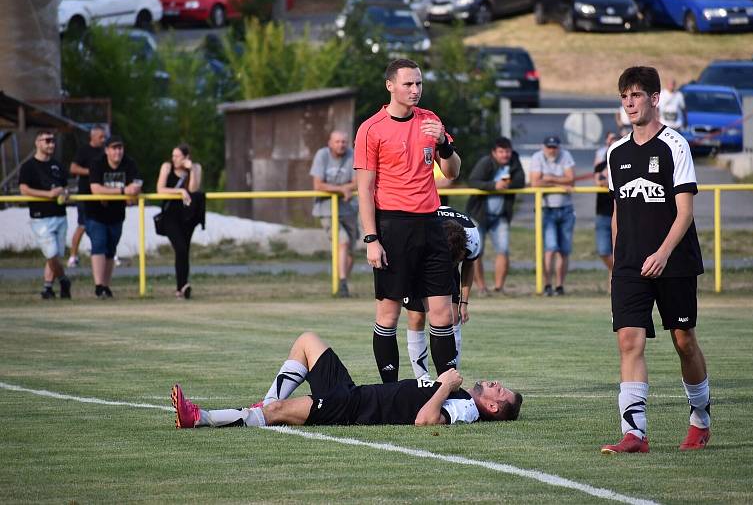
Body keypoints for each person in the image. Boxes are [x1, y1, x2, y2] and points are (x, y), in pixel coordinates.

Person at [601, 66, 710, 454]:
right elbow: (617, 212)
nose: (630, 102)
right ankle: (635, 434)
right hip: (631, 266)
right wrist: (620, 261)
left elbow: (685, 212)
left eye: (636, 95)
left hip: (674, 261)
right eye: (624, 96)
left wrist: (663, 253)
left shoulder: (675, 145)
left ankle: (700, 418)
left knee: (683, 341)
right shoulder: (615, 152)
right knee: (629, 342)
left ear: (654, 98)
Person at [354, 58, 462, 384]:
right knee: (389, 314)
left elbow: (453, 173)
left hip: (431, 224)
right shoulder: (371, 128)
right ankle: (391, 390)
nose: (415, 90)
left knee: (443, 312)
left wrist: (444, 143)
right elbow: (364, 188)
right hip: (392, 227)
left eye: (418, 84)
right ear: (390, 86)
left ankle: (447, 388)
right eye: (408, 84)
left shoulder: (431, 120)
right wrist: (371, 239)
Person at [171, 331, 523, 429]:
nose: (493, 382)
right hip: (354, 394)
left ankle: (199, 418)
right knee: (308, 341)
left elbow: (424, 421)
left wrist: (444, 385)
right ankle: (262, 409)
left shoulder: (468, 410)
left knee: (279, 410)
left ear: (493, 406)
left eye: (498, 389)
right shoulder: (463, 396)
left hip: (353, 410)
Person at [404, 206, 481, 380]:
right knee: (416, 317)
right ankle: (422, 380)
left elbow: (469, 265)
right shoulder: (421, 232)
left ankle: (451, 377)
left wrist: (464, 303)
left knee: (452, 317)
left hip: (448, 255)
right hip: (420, 261)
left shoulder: (472, 237)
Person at [465, 137, 525, 295]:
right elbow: (473, 181)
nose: (505, 155)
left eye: (507, 151)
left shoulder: (514, 161)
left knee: (503, 250)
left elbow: (521, 181)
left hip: (501, 216)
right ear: (494, 152)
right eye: (501, 151)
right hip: (479, 215)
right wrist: (494, 186)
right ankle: (481, 288)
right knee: (476, 252)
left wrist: (507, 185)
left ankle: (499, 288)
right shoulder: (485, 162)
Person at [86, 135, 143, 299]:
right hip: (96, 213)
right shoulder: (97, 163)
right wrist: (122, 191)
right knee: (99, 244)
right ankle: (98, 286)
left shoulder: (129, 163)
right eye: (114, 148)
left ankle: (105, 285)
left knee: (111, 250)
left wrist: (132, 191)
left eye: (120, 148)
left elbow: (137, 184)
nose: (118, 151)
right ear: (106, 150)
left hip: (116, 214)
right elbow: (95, 188)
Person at [18, 129, 72, 299]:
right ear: (37, 143)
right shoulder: (28, 166)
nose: (51, 144)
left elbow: (65, 186)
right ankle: (63, 280)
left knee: (55, 255)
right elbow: (24, 189)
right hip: (41, 216)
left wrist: (65, 192)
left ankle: (48, 288)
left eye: (53, 140)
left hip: (60, 215)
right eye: (47, 140)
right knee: (51, 254)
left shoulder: (57, 165)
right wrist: (48, 195)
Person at [310, 131, 358, 298]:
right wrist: (341, 188)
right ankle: (342, 284)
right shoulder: (322, 155)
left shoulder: (353, 154)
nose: (341, 145)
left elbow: (357, 181)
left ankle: (341, 283)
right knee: (342, 242)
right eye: (337, 141)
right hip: (327, 208)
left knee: (351, 250)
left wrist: (347, 188)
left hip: (349, 208)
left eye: (344, 142)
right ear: (330, 143)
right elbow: (318, 185)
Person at [529, 135, 576, 297]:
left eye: (554, 147)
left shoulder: (566, 155)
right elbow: (535, 182)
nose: (552, 150)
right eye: (549, 147)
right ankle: (547, 284)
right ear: (543, 147)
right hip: (546, 209)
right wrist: (558, 182)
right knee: (549, 248)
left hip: (566, 208)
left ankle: (560, 286)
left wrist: (547, 178)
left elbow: (571, 179)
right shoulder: (537, 157)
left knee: (564, 250)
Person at [156, 143, 203, 299]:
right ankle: (183, 286)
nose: (174, 159)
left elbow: (194, 189)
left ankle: (181, 288)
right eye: (173, 155)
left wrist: (191, 170)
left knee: (184, 252)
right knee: (180, 248)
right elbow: (160, 190)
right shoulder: (167, 167)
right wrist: (180, 190)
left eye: (178, 156)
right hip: (170, 215)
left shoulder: (196, 168)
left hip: (188, 215)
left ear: (186, 157)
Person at [68, 125, 106, 268]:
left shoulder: (105, 151)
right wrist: (92, 172)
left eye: (104, 137)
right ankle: (73, 256)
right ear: (93, 136)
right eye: (100, 137)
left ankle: (109, 254)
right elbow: (73, 168)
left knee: (104, 226)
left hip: (101, 195)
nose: (103, 140)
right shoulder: (84, 150)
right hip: (85, 194)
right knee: (82, 225)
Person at [594, 131, 618, 293]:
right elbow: (599, 181)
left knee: (620, 250)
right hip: (603, 213)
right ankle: (615, 271)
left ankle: (617, 280)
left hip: (622, 214)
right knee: (603, 251)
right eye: (609, 140)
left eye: (615, 140)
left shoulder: (627, 162)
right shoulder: (601, 165)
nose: (612, 143)